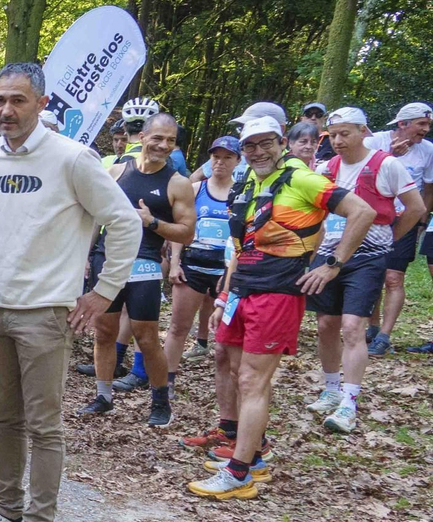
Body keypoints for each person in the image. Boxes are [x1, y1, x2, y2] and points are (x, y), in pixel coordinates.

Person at [0, 62, 141, 522]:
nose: (6, 110)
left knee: (44, 426)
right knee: (4, 419)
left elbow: (124, 222)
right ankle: (7, 516)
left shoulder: (73, 158)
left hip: (47, 312)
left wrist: (103, 292)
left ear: (41, 103)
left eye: (18, 100)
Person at [187, 115, 373, 499]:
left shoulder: (301, 178)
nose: (257, 151)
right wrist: (224, 295)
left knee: (252, 380)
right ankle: (254, 454)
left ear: (282, 142)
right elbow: (243, 245)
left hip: (277, 293)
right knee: (235, 369)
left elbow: (363, 211)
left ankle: (239, 473)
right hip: (242, 289)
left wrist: (332, 264)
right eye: (250, 145)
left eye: (265, 143)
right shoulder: (253, 180)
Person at [301, 107, 425, 432]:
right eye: (333, 135)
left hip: (368, 258)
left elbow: (416, 207)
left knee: (353, 327)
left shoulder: (386, 164)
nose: (338, 141)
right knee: (326, 324)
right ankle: (331, 388)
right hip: (329, 254)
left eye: (345, 133)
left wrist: (390, 237)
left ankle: (349, 401)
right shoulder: (327, 168)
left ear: (363, 132)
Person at [79, 113, 196, 427]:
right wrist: (84, 256)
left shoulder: (177, 183)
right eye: (158, 138)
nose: (163, 145)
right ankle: (103, 396)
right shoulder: (116, 171)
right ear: (142, 137)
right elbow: (94, 219)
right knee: (104, 331)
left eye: (170, 141)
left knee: (146, 337)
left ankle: (160, 401)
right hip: (107, 259)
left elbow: (187, 233)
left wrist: (152, 222)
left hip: (144, 262)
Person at [166, 135, 239, 401]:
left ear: (237, 161)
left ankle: (228, 388)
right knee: (178, 327)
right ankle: (165, 383)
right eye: (216, 157)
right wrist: (175, 263)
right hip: (193, 266)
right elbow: (180, 227)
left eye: (227, 157)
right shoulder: (195, 189)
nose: (220, 162)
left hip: (226, 271)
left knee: (226, 335)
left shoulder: (242, 193)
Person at [366, 102, 433, 355]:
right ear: (403, 123)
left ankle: (384, 336)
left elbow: (428, 190)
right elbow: (360, 176)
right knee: (372, 273)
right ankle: (372, 328)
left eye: (428, 125)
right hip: (372, 217)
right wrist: (389, 156)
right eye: (421, 124)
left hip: (405, 217)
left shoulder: (428, 150)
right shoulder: (375, 142)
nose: (426, 130)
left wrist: (421, 222)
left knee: (394, 277)